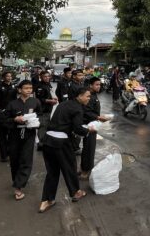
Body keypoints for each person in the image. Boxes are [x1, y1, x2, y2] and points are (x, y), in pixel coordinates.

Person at [39, 85, 94, 213]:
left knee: (52, 172)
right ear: (79, 96)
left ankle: (46, 201)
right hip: (61, 143)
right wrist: (89, 130)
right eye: (88, 96)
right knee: (69, 167)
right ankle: (76, 193)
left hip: (48, 141)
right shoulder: (77, 108)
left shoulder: (63, 104)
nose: (89, 99)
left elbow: (60, 122)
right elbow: (78, 129)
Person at [1, 80, 42, 201]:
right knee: (15, 159)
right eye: (26, 88)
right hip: (15, 134)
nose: (29, 90)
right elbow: (3, 119)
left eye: (30, 88)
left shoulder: (35, 102)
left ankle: (18, 187)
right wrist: (15, 119)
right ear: (19, 90)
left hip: (29, 134)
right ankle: (17, 179)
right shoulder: (12, 104)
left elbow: (40, 115)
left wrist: (35, 122)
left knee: (26, 159)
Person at [79, 77, 110, 180]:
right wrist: (98, 117)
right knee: (88, 148)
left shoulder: (94, 95)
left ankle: (86, 169)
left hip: (93, 124)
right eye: (97, 84)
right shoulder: (89, 96)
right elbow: (86, 111)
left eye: (99, 84)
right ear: (91, 85)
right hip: (89, 125)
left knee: (89, 148)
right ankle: (84, 171)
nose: (99, 86)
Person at [34, 71, 58, 151]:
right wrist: (50, 101)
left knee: (46, 125)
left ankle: (44, 142)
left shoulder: (48, 84)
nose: (47, 78)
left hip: (48, 109)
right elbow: (39, 99)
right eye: (45, 76)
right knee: (42, 126)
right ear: (41, 77)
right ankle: (41, 144)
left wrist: (53, 98)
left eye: (48, 76)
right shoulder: (39, 86)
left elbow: (50, 94)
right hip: (42, 110)